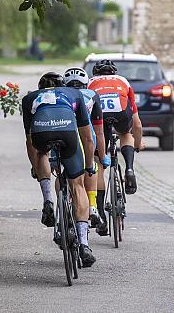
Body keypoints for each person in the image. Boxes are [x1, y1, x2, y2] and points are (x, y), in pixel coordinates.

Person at [22, 72, 97, 267]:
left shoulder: (30, 98)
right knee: (78, 186)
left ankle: (48, 200)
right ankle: (84, 244)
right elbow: (88, 139)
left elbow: (30, 142)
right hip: (67, 131)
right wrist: (89, 165)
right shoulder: (74, 94)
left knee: (41, 153)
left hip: (42, 131)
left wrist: (36, 169)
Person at [88, 60, 143, 203]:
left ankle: (99, 212)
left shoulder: (90, 83)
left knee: (99, 165)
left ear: (95, 73)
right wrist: (137, 144)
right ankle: (129, 169)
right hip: (121, 112)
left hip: (100, 114)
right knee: (125, 134)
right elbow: (137, 124)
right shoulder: (123, 81)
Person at [63, 67, 106, 229]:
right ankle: (93, 206)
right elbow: (99, 131)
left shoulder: (62, 93)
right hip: (85, 136)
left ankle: (62, 203)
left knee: (61, 169)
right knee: (92, 166)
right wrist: (102, 156)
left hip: (62, 132)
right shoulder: (92, 95)